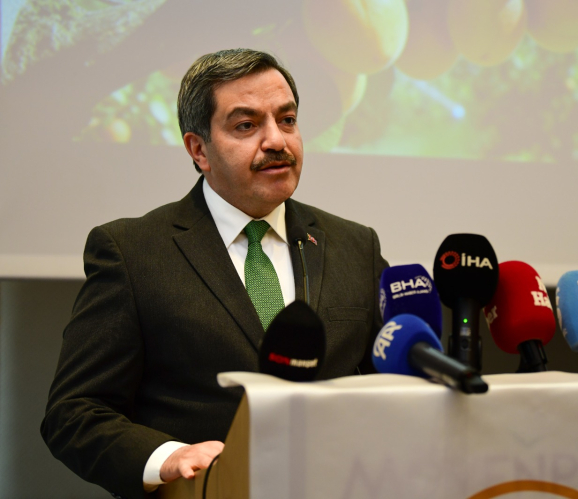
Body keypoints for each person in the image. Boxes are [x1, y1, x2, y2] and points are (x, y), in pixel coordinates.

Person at [41, 48, 388, 499]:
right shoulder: (132, 252)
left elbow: (396, 388)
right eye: (246, 125)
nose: (276, 140)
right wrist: (168, 457)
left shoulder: (355, 247)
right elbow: (74, 412)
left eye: (287, 120)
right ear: (198, 149)